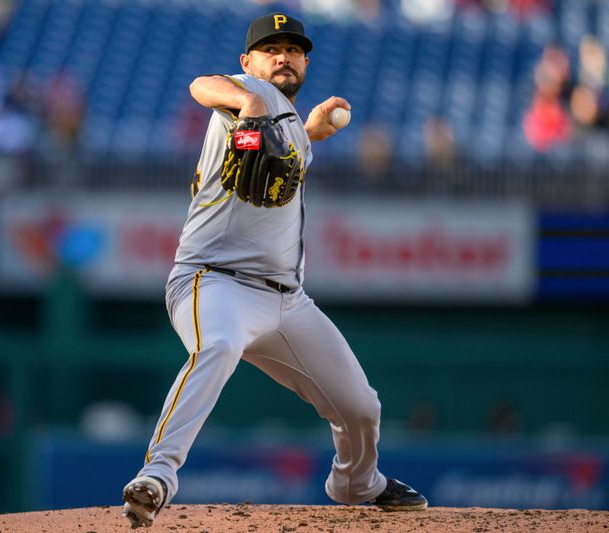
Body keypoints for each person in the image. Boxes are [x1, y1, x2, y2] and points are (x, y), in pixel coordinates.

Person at [121, 13, 428, 528]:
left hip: (287, 301)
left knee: (360, 408)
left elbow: (284, 156)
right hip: (212, 281)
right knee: (215, 347)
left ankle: (356, 482)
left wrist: (307, 131)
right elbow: (201, 84)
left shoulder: (288, 124)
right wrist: (248, 98)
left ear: (306, 61)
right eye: (270, 49)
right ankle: (157, 476)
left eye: (293, 49)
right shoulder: (241, 92)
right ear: (248, 62)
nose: (282, 56)